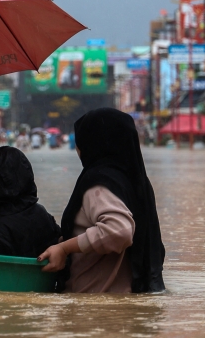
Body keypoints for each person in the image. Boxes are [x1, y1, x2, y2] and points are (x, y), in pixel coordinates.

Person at [38, 108, 165, 293]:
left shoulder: (98, 185)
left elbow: (119, 231)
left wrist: (64, 248)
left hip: (91, 309)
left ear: (94, 142)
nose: (78, 149)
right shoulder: (136, 184)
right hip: (133, 306)